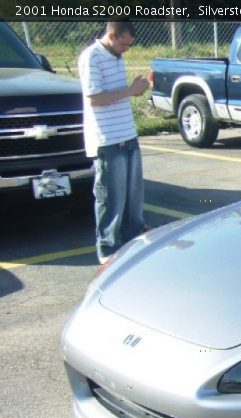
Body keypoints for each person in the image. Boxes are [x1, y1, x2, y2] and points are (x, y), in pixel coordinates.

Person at [78, 20, 150, 264]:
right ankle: (108, 252)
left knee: (133, 196)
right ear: (111, 35)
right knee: (112, 198)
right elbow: (95, 98)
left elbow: (117, 94)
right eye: (124, 43)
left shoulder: (116, 56)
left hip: (127, 135)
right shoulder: (92, 57)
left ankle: (134, 240)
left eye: (130, 45)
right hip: (108, 139)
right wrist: (130, 90)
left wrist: (135, 89)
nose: (126, 49)